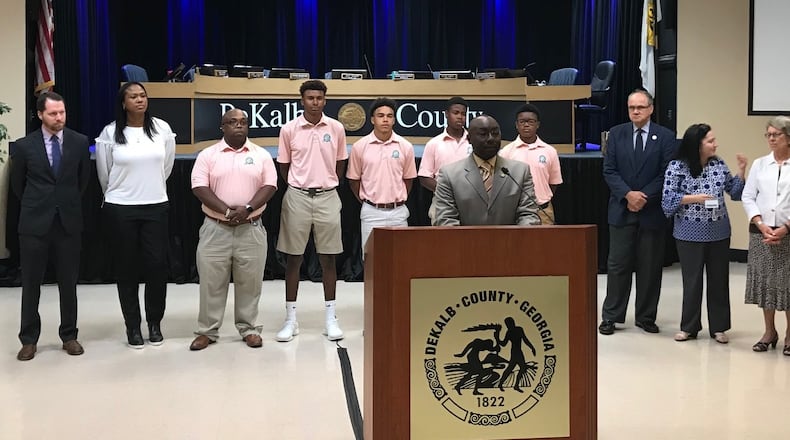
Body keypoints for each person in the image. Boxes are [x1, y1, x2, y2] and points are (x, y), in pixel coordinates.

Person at [10, 92, 90, 361]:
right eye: (53, 113)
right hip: (34, 223)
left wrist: (62, 203)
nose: (59, 118)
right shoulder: (23, 146)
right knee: (31, 284)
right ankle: (29, 339)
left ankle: (69, 335)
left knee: (68, 283)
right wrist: (42, 204)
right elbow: (18, 186)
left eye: (62, 112)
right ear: (40, 115)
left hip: (67, 222)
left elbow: (82, 182)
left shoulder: (79, 142)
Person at [188, 109, 277, 350]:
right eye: (232, 122)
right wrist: (228, 212)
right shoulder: (208, 155)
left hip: (252, 227)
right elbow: (199, 187)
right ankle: (207, 331)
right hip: (216, 228)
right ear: (222, 127)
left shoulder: (261, 154)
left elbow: (270, 185)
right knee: (211, 282)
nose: (239, 126)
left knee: (250, 282)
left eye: (243, 122)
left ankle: (249, 329)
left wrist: (247, 209)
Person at [95, 82, 176, 348]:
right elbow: (105, 174)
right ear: (123, 102)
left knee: (156, 266)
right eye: (133, 97)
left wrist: (150, 188)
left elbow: (166, 167)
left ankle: (154, 323)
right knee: (126, 268)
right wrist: (119, 195)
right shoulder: (110, 132)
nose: (140, 100)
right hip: (120, 208)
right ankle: (133, 326)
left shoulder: (162, 129)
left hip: (155, 205)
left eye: (143, 96)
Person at [599, 89, 677, 336]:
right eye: (632, 107)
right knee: (618, 266)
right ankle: (611, 316)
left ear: (651, 109)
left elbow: (667, 173)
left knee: (650, 267)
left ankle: (645, 316)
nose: (635, 111)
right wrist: (628, 195)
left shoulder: (665, 137)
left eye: (640, 107)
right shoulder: (617, 134)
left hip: (651, 211)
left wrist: (643, 196)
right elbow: (609, 170)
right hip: (622, 210)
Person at [276, 80, 348, 342]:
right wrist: (302, 183)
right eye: (310, 98)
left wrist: (325, 182)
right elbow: (284, 167)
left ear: (325, 100)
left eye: (319, 98)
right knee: (294, 259)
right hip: (297, 196)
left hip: (328, 196)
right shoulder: (289, 129)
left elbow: (340, 164)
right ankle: (290, 319)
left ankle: (331, 318)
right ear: (302, 101)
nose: (315, 102)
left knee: (328, 259)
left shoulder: (337, 128)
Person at [661, 124, 746, 343]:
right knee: (692, 282)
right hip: (688, 234)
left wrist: (741, 172)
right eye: (710, 141)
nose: (715, 144)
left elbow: (735, 193)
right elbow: (667, 201)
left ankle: (719, 328)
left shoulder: (718, 164)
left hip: (719, 232)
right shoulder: (677, 167)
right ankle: (689, 327)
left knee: (719, 281)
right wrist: (694, 198)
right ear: (697, 145)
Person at [433, 115, 540, 226]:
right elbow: (446, 219)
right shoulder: (449, 174)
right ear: (469, 139)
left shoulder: (520, 172)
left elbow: (528, 215)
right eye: (483, 134)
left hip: (511, 242)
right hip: (466, 242)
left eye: (495, 133)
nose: (490, 139)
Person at [742, 116, 790, 355]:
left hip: (787, 234)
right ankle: (769, 331)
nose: (771, 139)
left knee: (787, 286)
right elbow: (748, 196)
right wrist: (760, 223)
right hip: (762, 233)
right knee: (766, 286)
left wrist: (786, 227)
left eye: (776, 135)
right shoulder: (760, 164)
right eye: (768, 134)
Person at [347, 98, 417, 254]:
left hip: (398, 212)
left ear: (394, 119)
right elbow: (354, 180)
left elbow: (408, 179)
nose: (385, 119)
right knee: (372, 259)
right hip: (371, 211)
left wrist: (396, 198)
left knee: (400, 258)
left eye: (390, 116)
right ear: (372, 119)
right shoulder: (360, 146)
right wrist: (369, 201)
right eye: (380, 115)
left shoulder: (405, 146)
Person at [499, 103, 563, 224]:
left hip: (543, 211)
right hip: (515, 212)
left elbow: (553, 183)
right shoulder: (506, 152)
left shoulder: (550, 151)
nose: (526, 125)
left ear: (538, 124)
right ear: (516, 125)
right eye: (522, 122)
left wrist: (541, 199)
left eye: (531, 121)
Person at [417, 96, 471, 223]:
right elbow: (424, 178)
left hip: (471, 202)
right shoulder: (434, 144)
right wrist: (447, 191)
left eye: (463, 114)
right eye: (456, 113)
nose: (460, 117)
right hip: (442, 203)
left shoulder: (474, 142)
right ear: (447, 114)